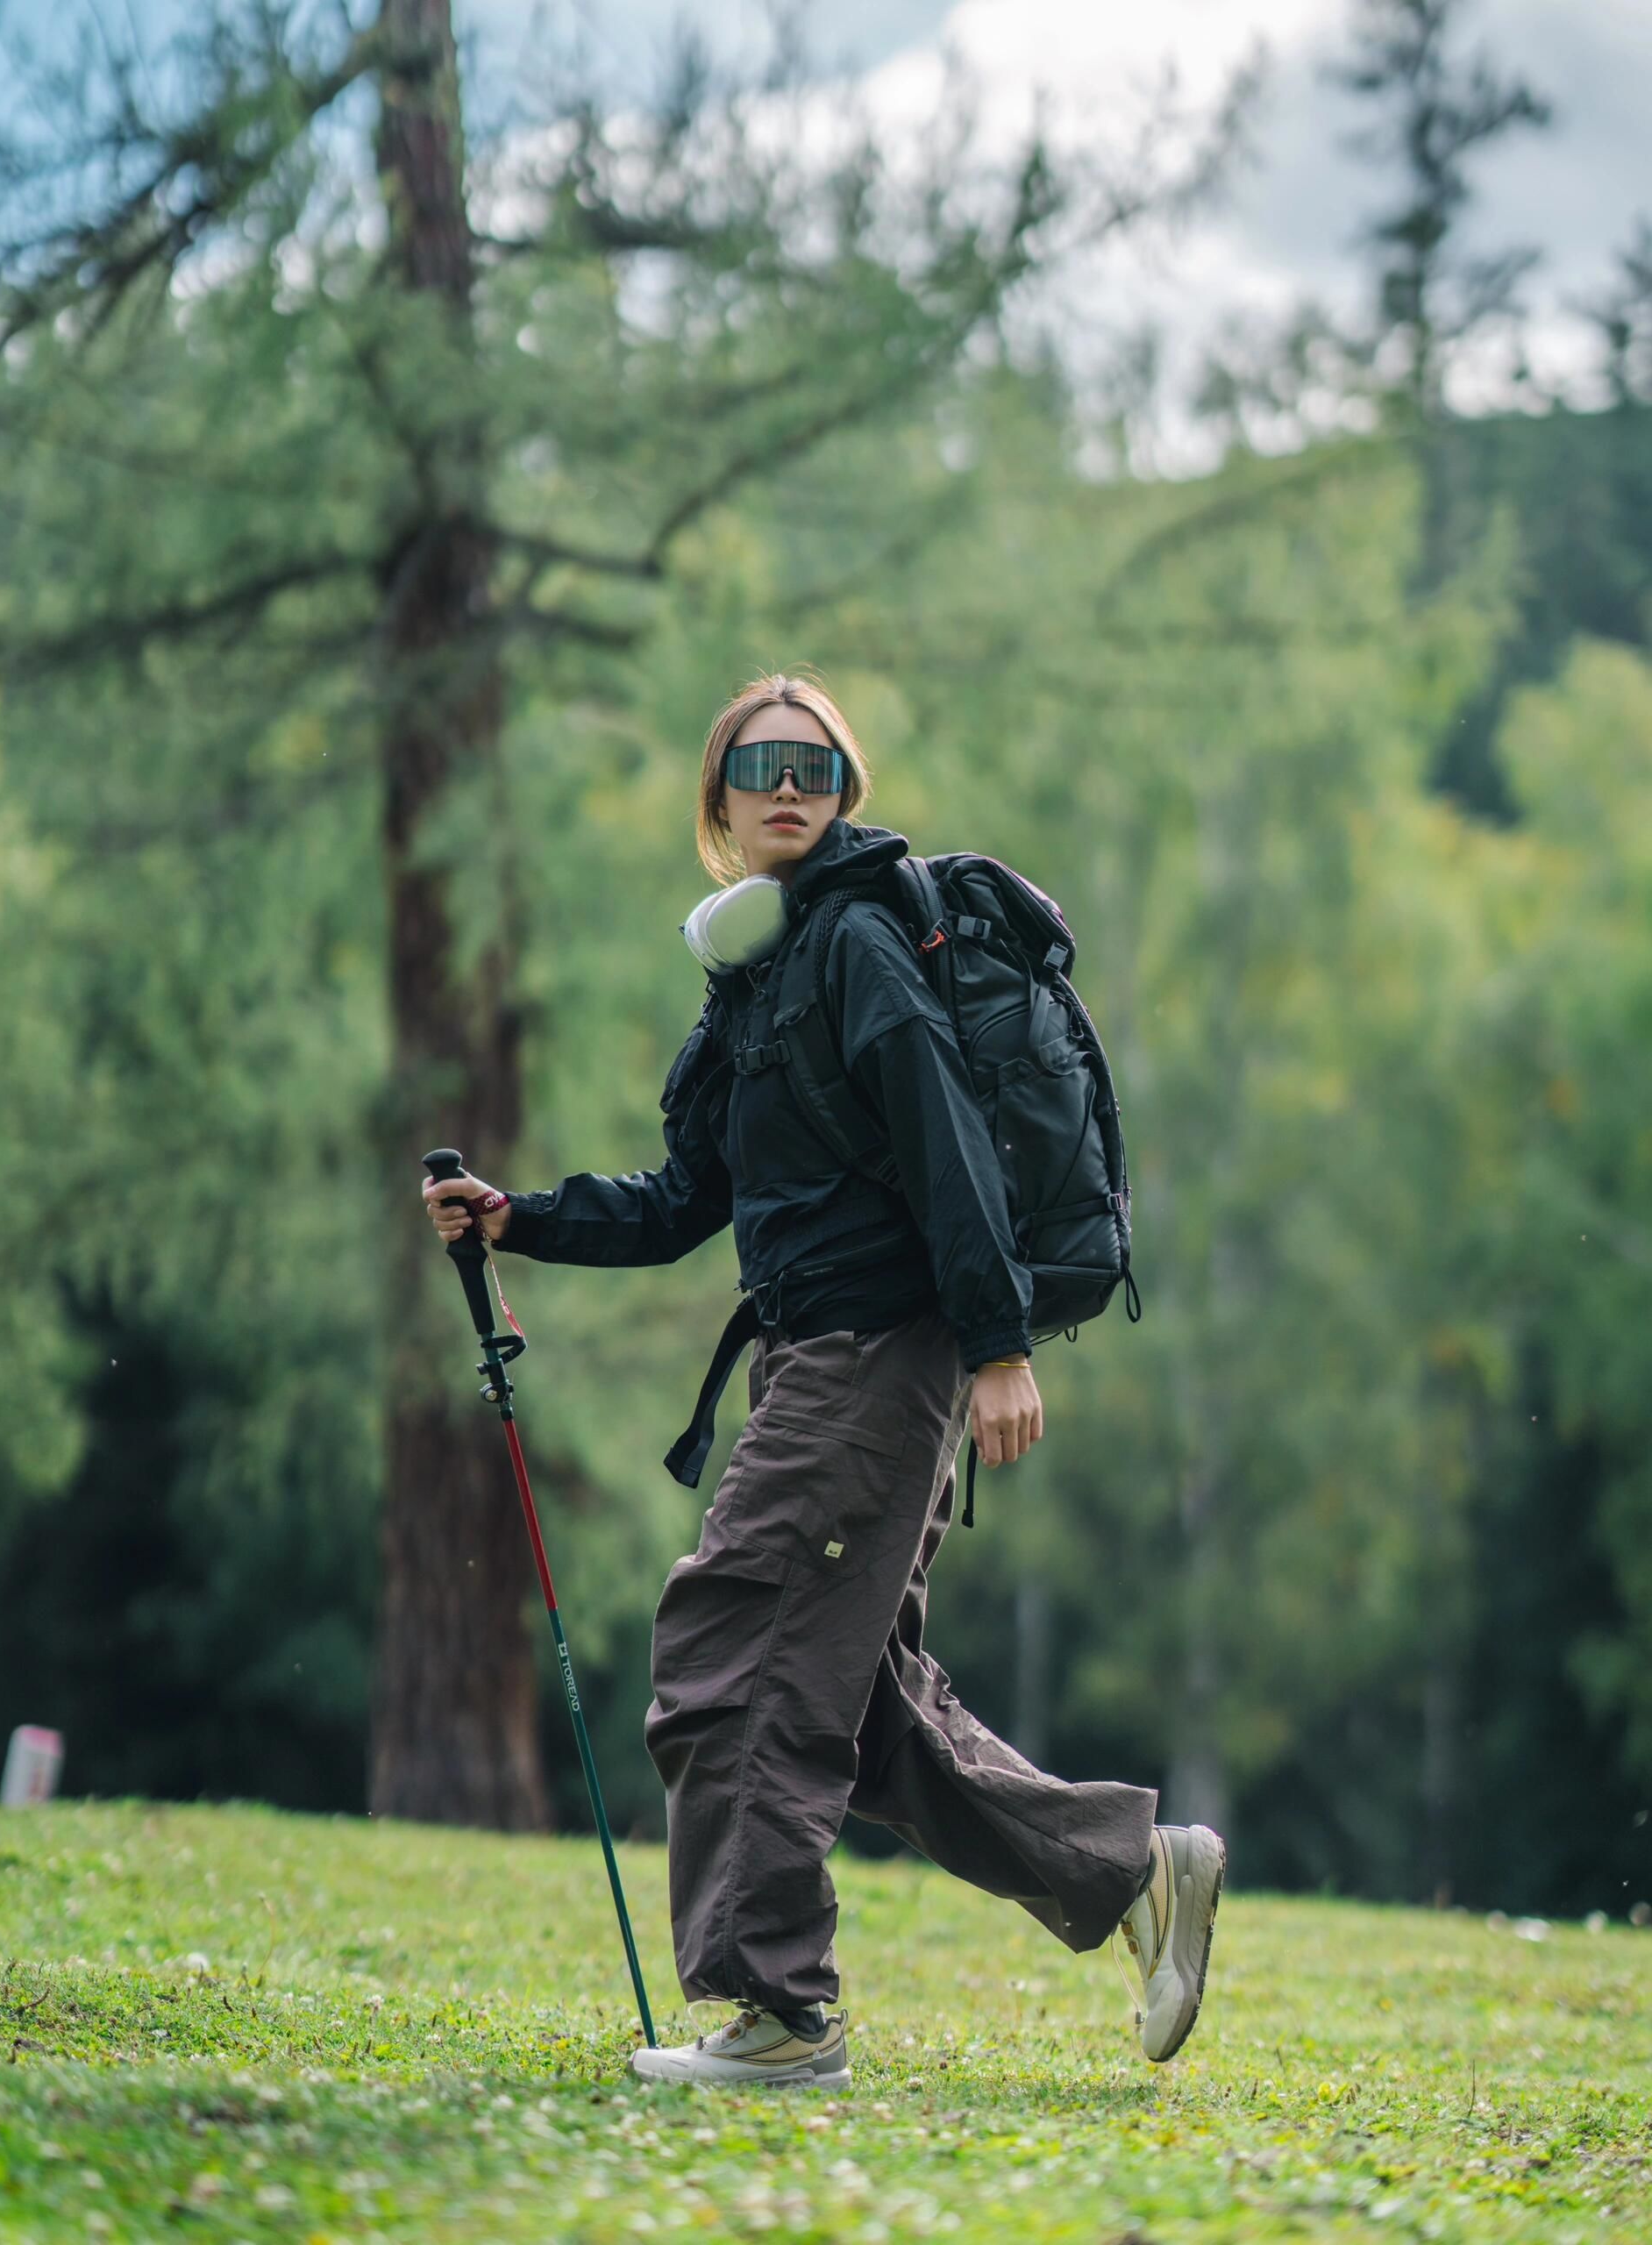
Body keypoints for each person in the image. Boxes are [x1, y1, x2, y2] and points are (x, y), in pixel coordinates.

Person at [423, 671, 1224, 2091]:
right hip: (827, 1361)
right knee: (861, 1711)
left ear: (842, 790)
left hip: (874, 1360)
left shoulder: (855, 939)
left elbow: (945, 1142)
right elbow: (684, 1202)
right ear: (719, 806)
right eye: (758, 763)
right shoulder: (749, 984)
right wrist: (521, 1218)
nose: (787, 781)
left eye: (814, 761)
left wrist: (995, 1345)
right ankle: (1130, 1865)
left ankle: (782, 2017)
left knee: (728, 1644)